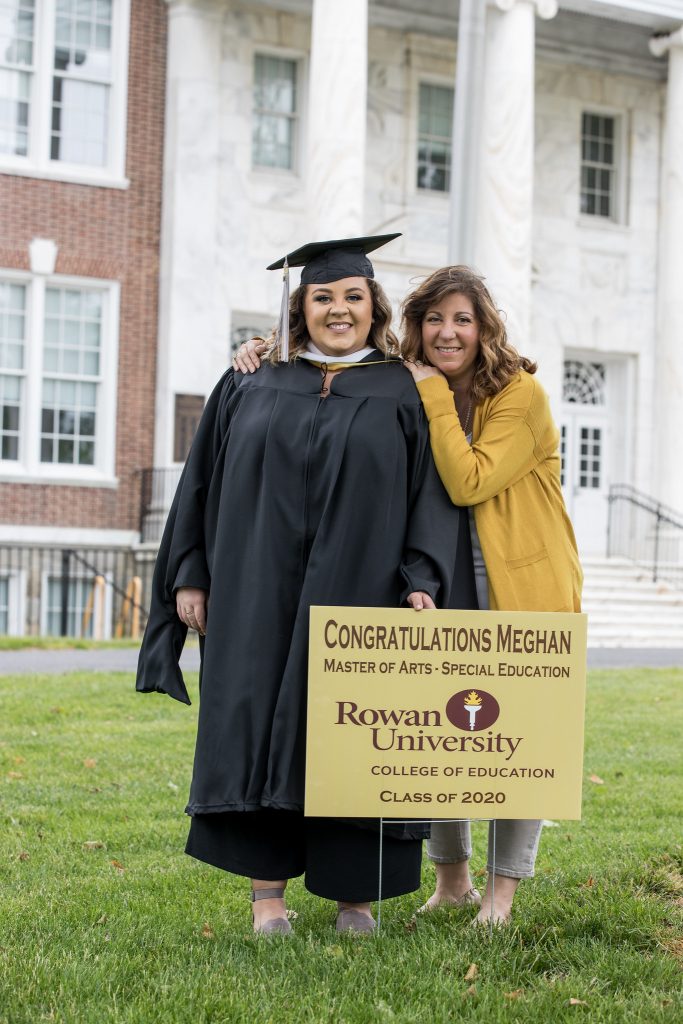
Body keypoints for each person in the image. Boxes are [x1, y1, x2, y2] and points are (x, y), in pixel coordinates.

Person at [136, 236, 476, 936]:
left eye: (352, 296)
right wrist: (190, 573)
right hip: (254, 590)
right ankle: (268, 900)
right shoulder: (250, 379)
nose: (338, 309)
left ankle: (354, 900)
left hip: (362, 592)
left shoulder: (401, 388)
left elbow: (430, 497)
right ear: (301, 307)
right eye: (323, 297)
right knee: (258, 725)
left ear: (373, 305)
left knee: (353, 733)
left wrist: (420, 578)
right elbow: (199, 484)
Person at [401, 265, 583, 925]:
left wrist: (434, 399)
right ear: (416, 328)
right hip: (447, 585)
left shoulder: (518, 393)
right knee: (442, 737)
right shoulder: (413, 387)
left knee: (520, 742)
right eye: (434, 319)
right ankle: (452, 882)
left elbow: (469, 480)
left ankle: (500, 895)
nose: (447, 332)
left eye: (461, 319)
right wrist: (258, 352)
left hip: (524, 588)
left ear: (484, 328)